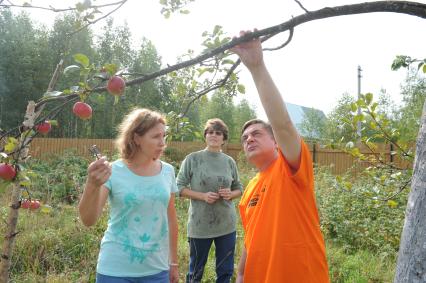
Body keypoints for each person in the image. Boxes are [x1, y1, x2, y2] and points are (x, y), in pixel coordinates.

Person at [232, 31, 330, 282]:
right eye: (244, 138)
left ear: (276, 142)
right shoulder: (250, 188)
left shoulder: (292, 167)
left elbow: (283, 124)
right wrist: (241, 272)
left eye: (256, 134)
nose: (249, 139)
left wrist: (256, 67)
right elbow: (250, 235)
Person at [78, 108, 179, 283]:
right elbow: (88, 220)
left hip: (157, 269)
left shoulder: (168, 171)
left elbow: (171, 220)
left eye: (164, 136)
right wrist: (92, 185)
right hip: (115, 270)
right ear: (136, 138)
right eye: (156, 136)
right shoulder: (113, 171)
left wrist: (174, 262)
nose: (162, 143)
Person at [176, 118, 243, 283]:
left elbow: (239, 188)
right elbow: (178, 187)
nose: (214, 135)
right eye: (210, 132)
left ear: (223, 138)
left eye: (218, 133)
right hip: (200, 225)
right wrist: (203, 196)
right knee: (195, 272)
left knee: (225, 271)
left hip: (226, 225)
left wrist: (230, 194)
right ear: (205, 136)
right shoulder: (192, 159)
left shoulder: (229, 161)